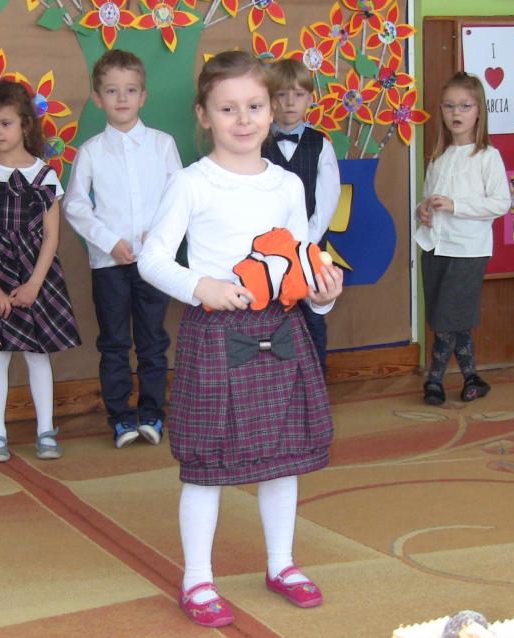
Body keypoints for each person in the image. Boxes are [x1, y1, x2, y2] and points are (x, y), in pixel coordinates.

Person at [138, 51, 343, 628]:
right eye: (228, 109)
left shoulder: (287, 184)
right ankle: (197, 579)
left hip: (281, 328)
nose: (244, 119)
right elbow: (153, 259)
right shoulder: (191, 183)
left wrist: (323, 293)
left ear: (271, 109)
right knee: (207, 462)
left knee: (283, 455)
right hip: (216, 332)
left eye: (254, 106)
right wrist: (200, 285)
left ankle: (282, 564)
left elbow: (300, 264)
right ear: (204, 116)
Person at [0, 80, 81, 463]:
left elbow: (51, 238)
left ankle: (45, 429)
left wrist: (34, 285)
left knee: (37, 353)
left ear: (25, 124)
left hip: (35, 276)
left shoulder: (46, 175)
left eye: (5, 123)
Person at [64, 49, 182, 449]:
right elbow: (75, 205)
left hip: (153, 263)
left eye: (130, 90)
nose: (122, 98)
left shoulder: (162, 145)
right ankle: (120, 417)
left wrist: (159, 236)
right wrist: (108, 242)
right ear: (97, 98)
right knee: (114, 342)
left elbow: (178, 197)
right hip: (108, 265)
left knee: (152, 340)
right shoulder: (91, 151)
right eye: (112, 91)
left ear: (143, 96)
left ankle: (152, 414)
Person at [415, 72, 509, 406]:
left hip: (467, 250)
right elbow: (427, 200)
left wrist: (456, 206)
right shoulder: (438, 157)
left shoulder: (487, 157)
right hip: (435, 247)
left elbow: (500, 203)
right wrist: (422, 211)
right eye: (449, 106)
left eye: (465, 106)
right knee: (448, 318)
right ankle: (472, 378)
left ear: (479, 111)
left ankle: (434, 380)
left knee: (447, 319)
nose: (456, 112)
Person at [262, 58, 340, 375]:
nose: (290, 102)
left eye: (298, 94)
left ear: (309, 98)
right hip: (266, 250)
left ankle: (315, 378)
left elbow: (328, 199)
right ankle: (277, 381)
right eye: (281, 95)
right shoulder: (257, 143)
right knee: (271, 316)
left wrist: (303, 243)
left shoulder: (320, 144)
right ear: (270, 100)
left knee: (312, 316)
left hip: (311, 247)